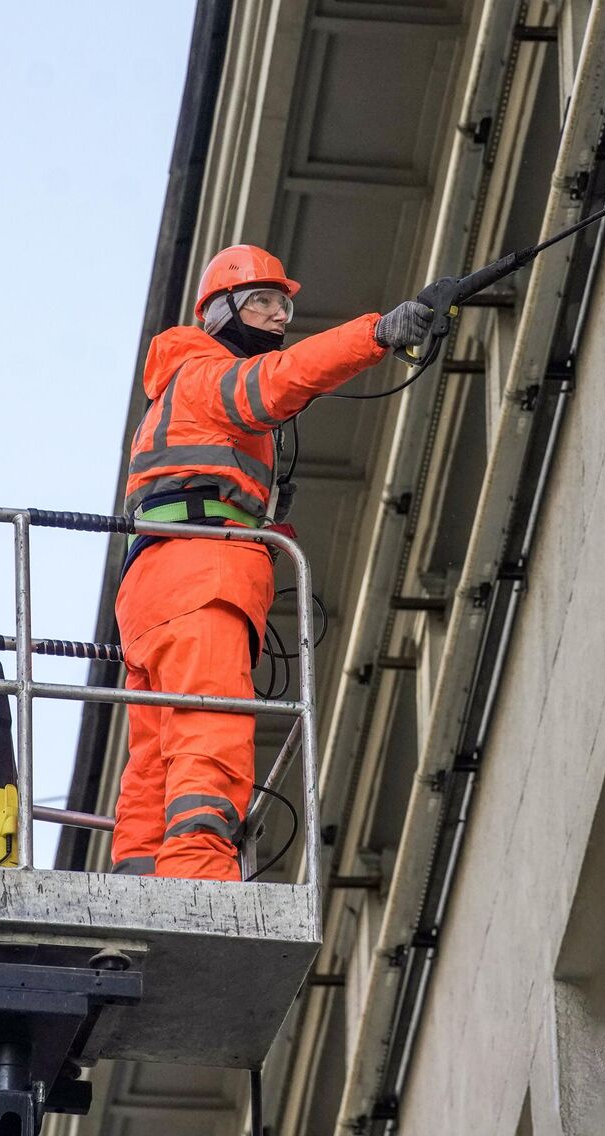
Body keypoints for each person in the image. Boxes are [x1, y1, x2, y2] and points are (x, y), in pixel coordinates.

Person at [111, 245, 436, 880]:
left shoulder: (172, 393)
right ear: (219, 311)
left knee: (157, 748)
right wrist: (378, 331)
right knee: (211, 723)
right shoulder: (204, 375)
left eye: (284, 304)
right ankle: (196, 876)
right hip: (201, 573)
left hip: (153, 584)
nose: (278, 315)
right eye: (261, 301)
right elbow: (274, 383)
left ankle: (135, 878)